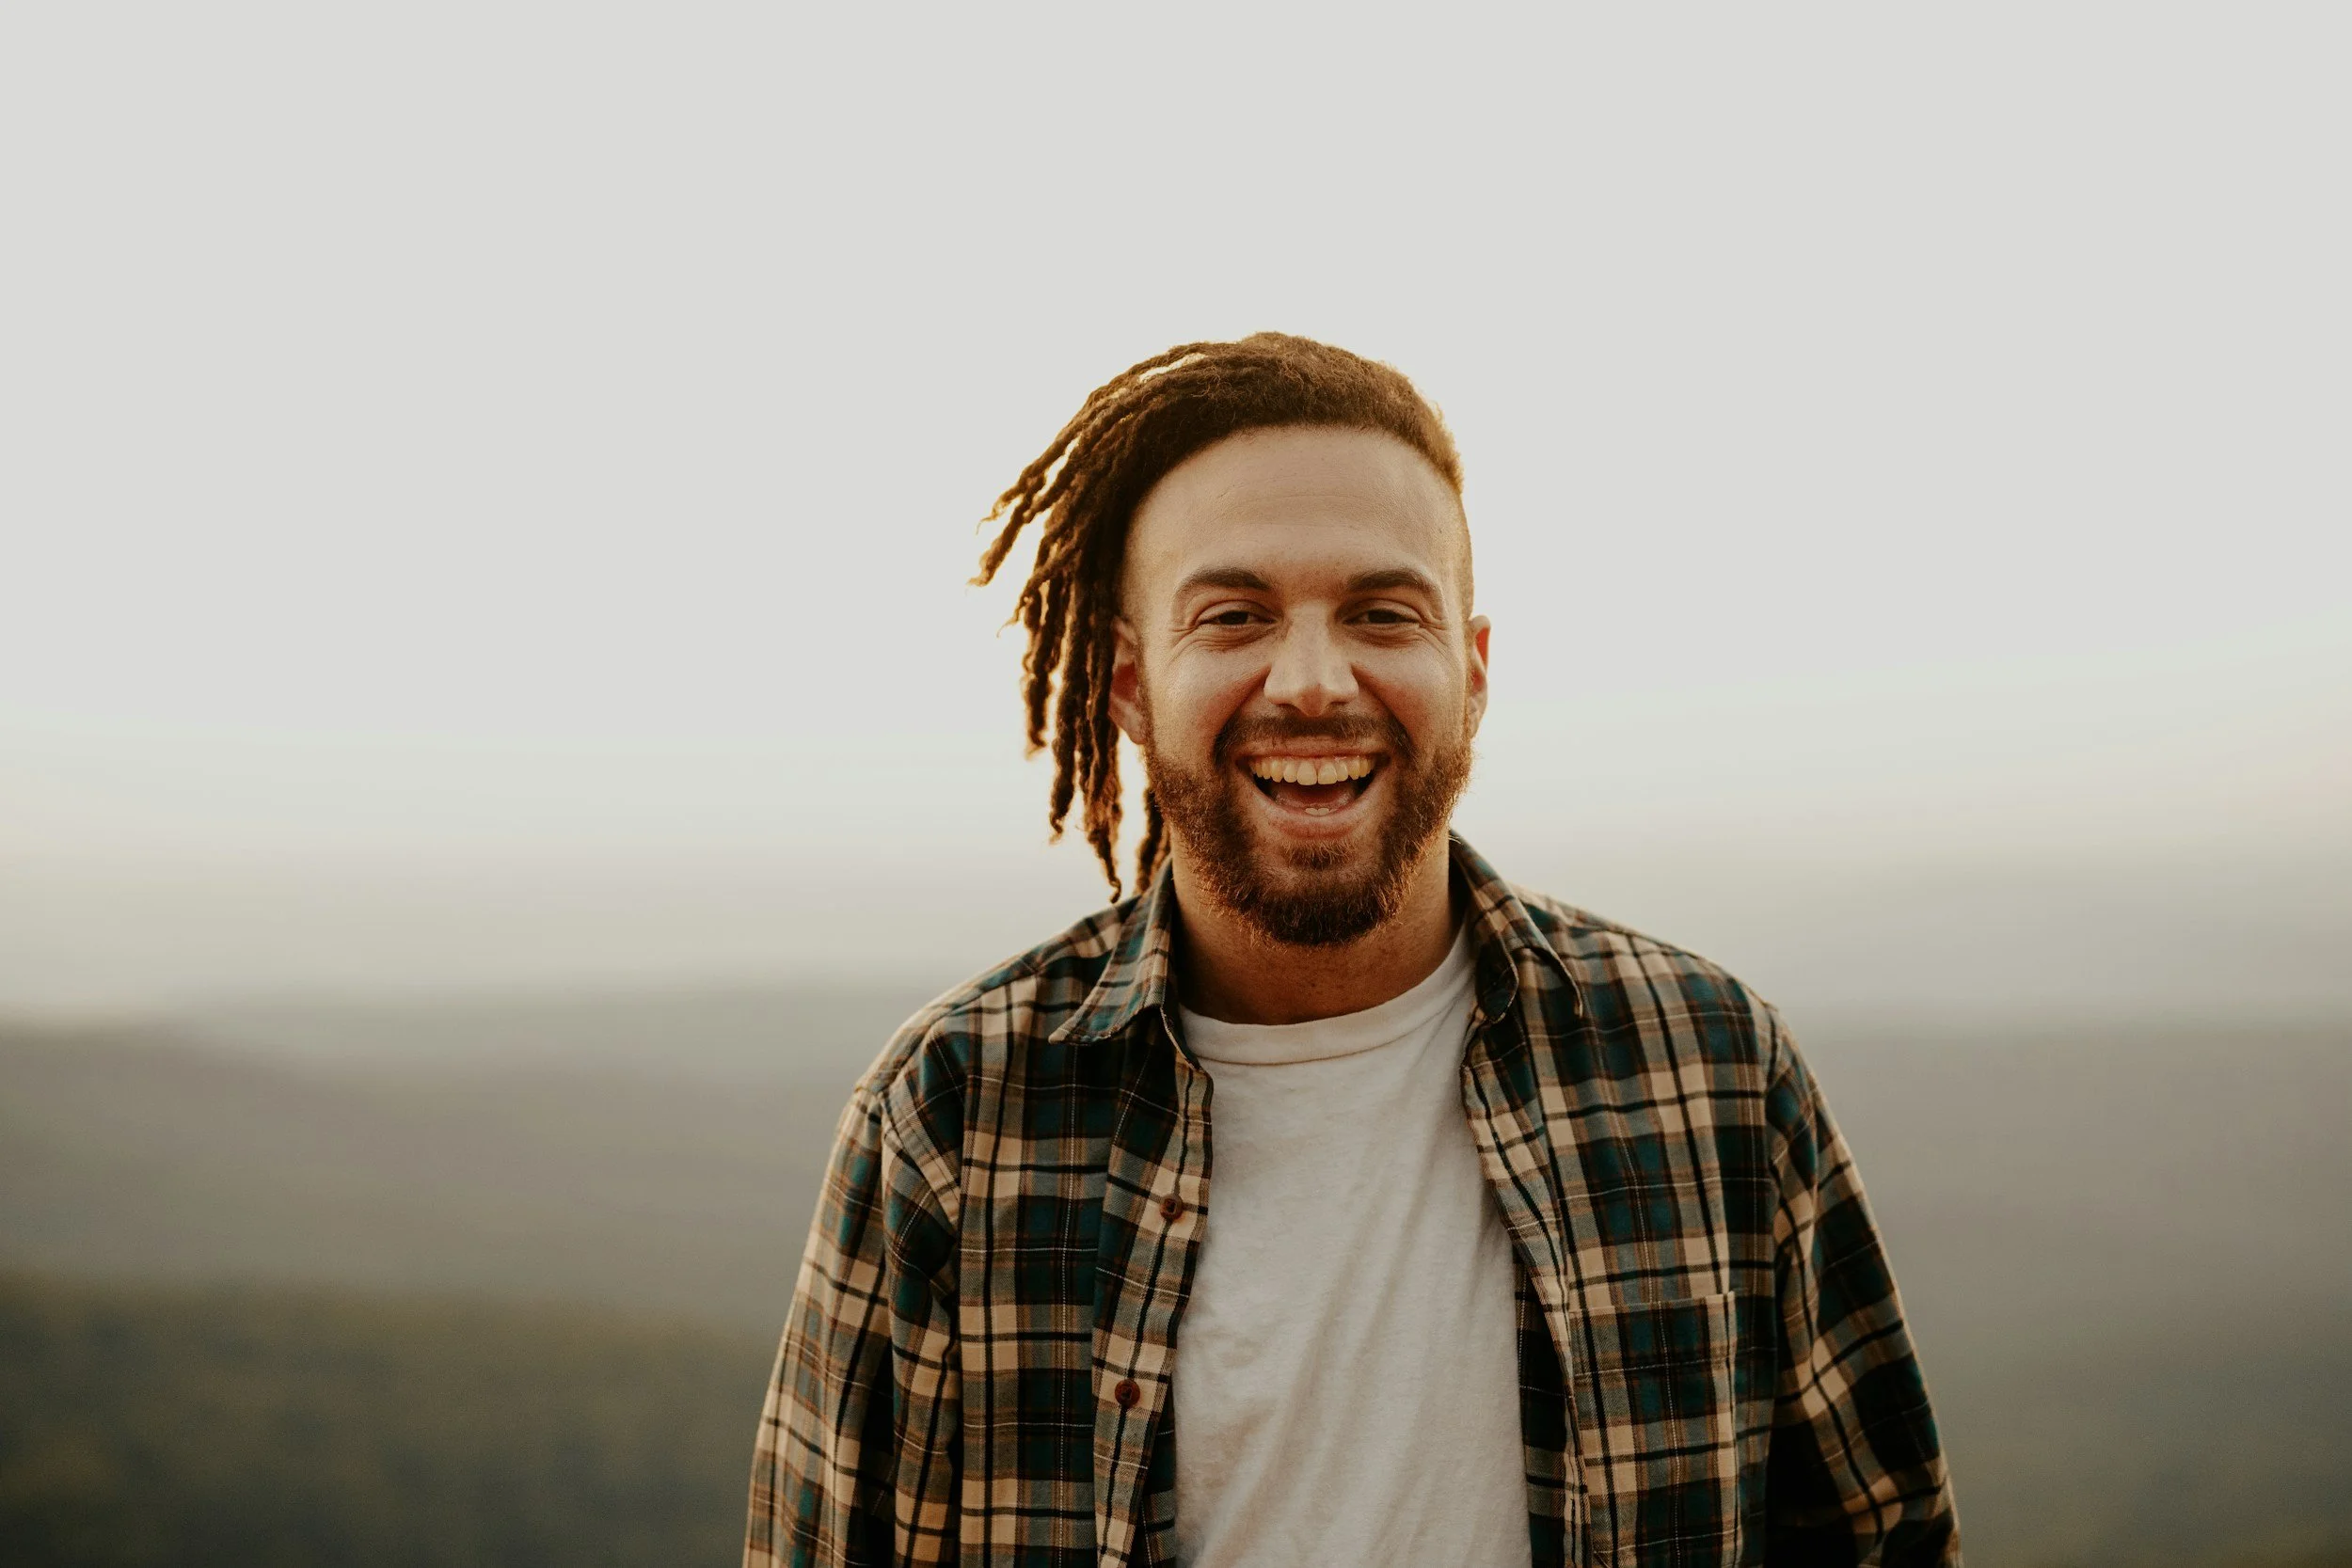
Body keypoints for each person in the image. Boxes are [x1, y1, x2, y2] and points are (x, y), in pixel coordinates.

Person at [745, 334, 1960, 1568]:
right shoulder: (956, 1115)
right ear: (1128, 682)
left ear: (1472, 674)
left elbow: (1889, 1539)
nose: (1314, 681)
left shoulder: (1710, 1071)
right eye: (1235, 616)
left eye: (1383, 613)